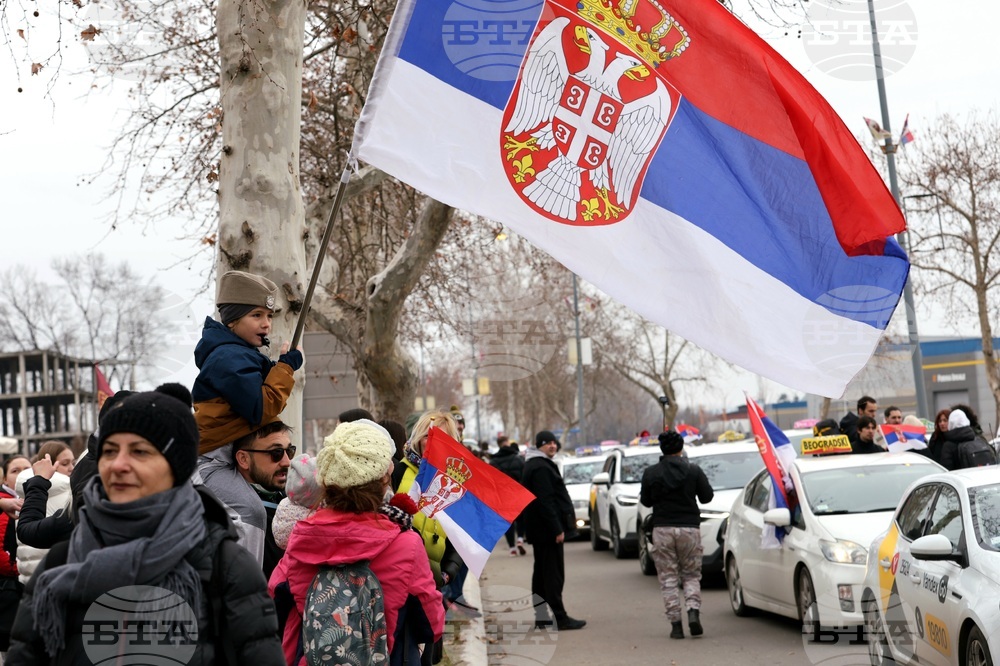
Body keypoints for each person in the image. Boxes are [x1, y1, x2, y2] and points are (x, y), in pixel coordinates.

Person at [6, 384, 284, 664]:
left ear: (176, 465)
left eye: (139, 451)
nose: (118, 465)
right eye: (110, 451)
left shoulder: (224, 565)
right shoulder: (60, 563)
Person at [269, 419, 444, 666]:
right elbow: (431, 626)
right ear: (383, 477)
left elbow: (273, 607)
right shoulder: (406, 544)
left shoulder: (302, 539)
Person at [192, 269, 304, 454]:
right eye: (256, 315)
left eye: (269, 315)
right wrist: (286, 368)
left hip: (232, 452)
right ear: (232, 320)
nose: (266, 323)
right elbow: (260, 410)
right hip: (217, 458)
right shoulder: (228, 358)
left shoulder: (236, 354)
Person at [639, 430, 714, 639]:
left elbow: (646, 501)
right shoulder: (693, 470)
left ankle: (676, 626)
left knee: (668, 577)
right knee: (691, 574)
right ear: (681, 448)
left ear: (661, 449)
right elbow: (707, 497)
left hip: (662, 529)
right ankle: (693, 611)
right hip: (689, 528)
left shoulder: (651, 473)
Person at [198, 421, 293, 571]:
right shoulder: (228, 519)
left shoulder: (293, 504)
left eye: (290, 451)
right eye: (276, 453)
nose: (287, 462)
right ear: (243, 459)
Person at [521, 430, 586, 631]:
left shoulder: (536, 463)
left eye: (554, 442)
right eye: (547, 443)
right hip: (546, 531)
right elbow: (545, 501)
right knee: (553, 575)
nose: (552, 446)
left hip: (540, 530)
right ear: (539, 445)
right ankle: (560, 617)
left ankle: (541, 616)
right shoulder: (540, 467)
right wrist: (557, 528)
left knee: (541, 573)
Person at [14, 441, 76, 584]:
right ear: (48, 464)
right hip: (57, 577)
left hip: (28, 578)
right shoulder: (68, 492)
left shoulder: (28, 491)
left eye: (73, 462)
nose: (71, 468)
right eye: (65, 463)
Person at [0, 456, 29, 654]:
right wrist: (20, 569)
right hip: (12, 588)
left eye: (26, 469)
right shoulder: (8, 504)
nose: (22, 475)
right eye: (15, 470)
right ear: (5, 480)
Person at [490, 436, 526, 556]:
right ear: (507, 443)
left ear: (499, 444)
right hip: (517, 493)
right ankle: (520, 538)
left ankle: (512, 548)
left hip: (502, 496)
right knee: (521, 518)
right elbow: (523, 475)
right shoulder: (518, 458)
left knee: (508, 521)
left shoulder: (494, 461)